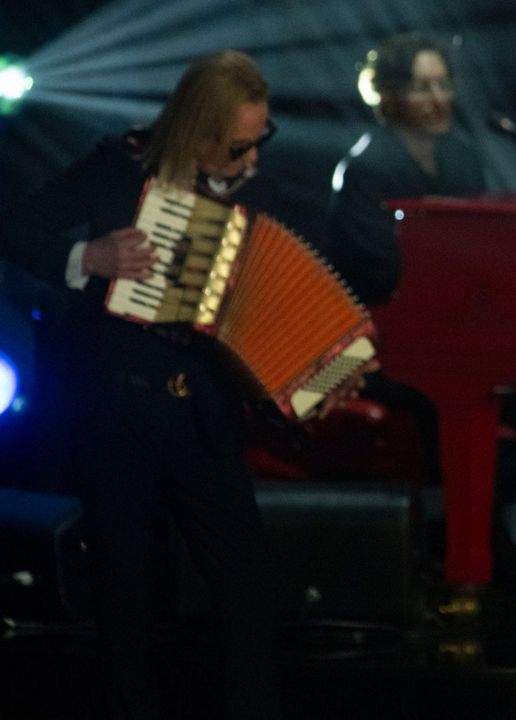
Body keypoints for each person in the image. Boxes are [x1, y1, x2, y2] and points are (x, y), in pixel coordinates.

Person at [0, 50, 345, 719]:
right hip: (117, 411)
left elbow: (277, 318)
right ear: (198, 133)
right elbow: (13, 227)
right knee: (124, 593)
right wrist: (86, 257)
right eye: (241, 147)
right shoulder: (116, 169)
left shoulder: (261, 198)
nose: (253, 161)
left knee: (245, 584)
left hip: (206, 415)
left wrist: (307, 385)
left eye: (260, 140)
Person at [324, 31, 486, 305]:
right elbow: (376, 273)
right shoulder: (364, 170)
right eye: (421, 88)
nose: (438, 100)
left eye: (443, 85)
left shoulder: (463, 157)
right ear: (389, 95)